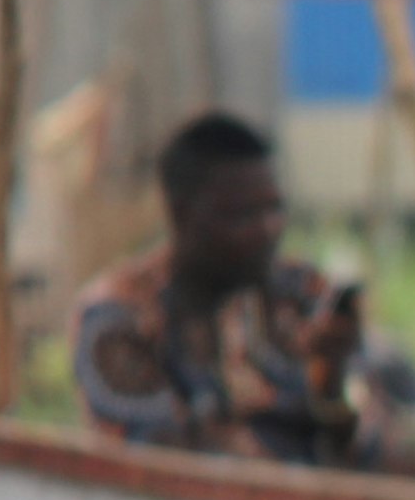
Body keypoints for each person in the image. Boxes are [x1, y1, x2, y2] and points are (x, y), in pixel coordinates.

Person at [73, 111, 389, 467]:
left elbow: (371, 446)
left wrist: (330, 379)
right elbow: (158, 461)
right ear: (181, 214)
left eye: (274, 209)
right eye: (243, 215)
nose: (268, 230)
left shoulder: (298, 292)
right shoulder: (119, 316)